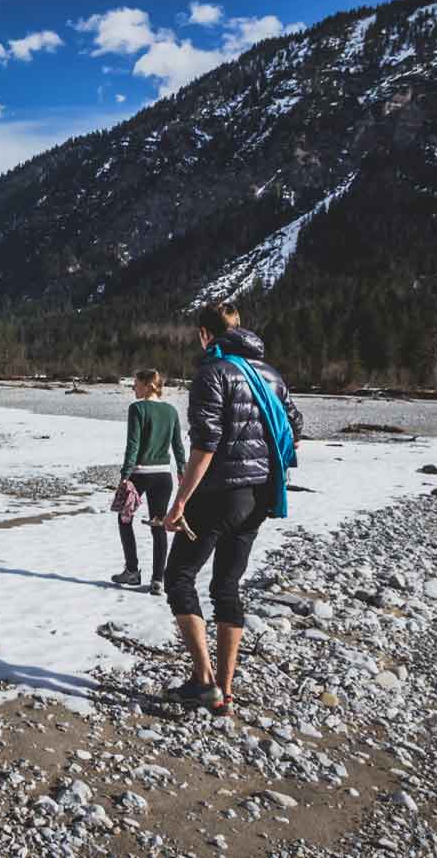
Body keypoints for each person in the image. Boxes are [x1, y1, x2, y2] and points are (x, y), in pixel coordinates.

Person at [158, 302, 302, 716]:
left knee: (180, 577)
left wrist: (180, 501)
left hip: (220, 492)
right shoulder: (270, 374)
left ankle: (203, 683)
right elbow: (295, 426)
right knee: (227, 586)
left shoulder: (213, 371)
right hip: (259, 494)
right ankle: (226, 687)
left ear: (205, 334)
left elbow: (206, 442)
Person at [113, 369, 186, 594]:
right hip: (163, 476)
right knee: (159, 526)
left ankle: (132, 571)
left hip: (140, 474)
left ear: (147, 385)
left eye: (136, 383)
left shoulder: (137, 408)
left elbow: (132, 445)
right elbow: (178, 446)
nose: (133, 388)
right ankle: (158, 580)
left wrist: (125, 475)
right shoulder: (171, 411)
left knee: (124, 519)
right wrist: (182, 471)